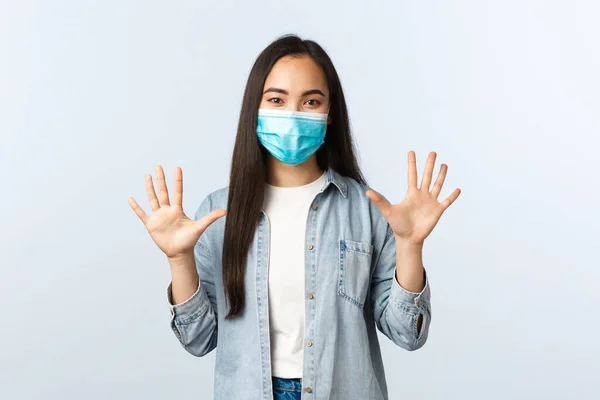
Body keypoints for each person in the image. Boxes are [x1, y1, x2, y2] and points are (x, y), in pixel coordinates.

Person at [128, 34, 461, 400]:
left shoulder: (365, 211)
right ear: (254, 109)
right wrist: (179, 259)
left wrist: (410, 246)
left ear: (329, 113)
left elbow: (407, 334)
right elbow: (199, 339)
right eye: (276, 99)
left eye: (311, 101)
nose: (292, 114)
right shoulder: (217, 214)